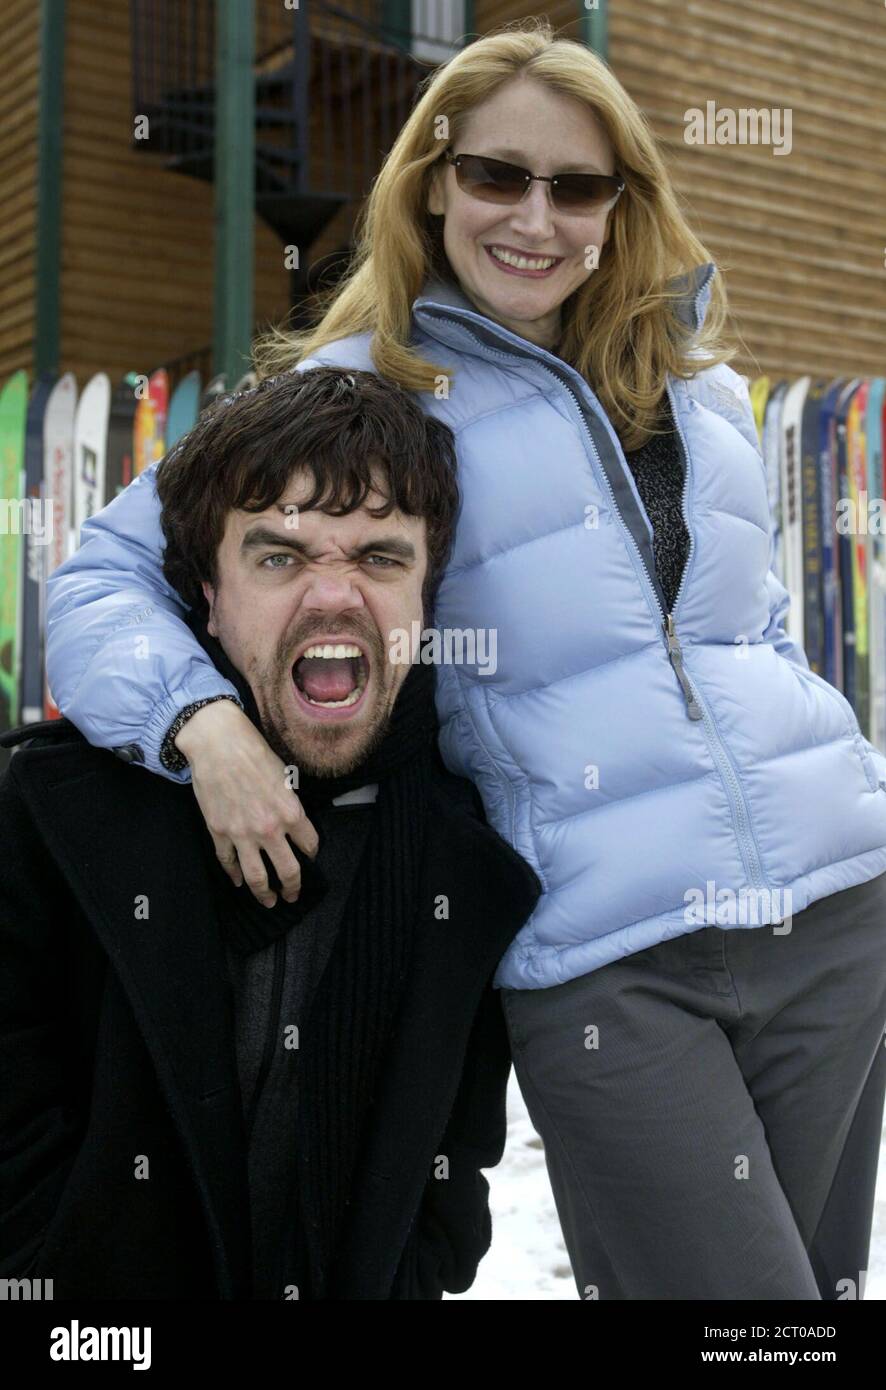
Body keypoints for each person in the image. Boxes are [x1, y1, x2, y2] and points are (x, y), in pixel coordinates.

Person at [44, 20, 886, 1299]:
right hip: (605, 952)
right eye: (497, 175)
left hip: (837, 903)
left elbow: (745, 631)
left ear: (621, 204)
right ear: (432, 181)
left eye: (576, 185)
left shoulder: (696, 387)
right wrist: (201, 727)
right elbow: (102, 580)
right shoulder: (363, 394)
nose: (534, 217)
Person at [0, 366, 542, 1300]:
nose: (334, 599)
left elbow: (450, 1177)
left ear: (427, 596)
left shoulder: (471, 865)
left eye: (380, 558)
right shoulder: (45, 814)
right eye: (280, 558)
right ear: (206, 594)